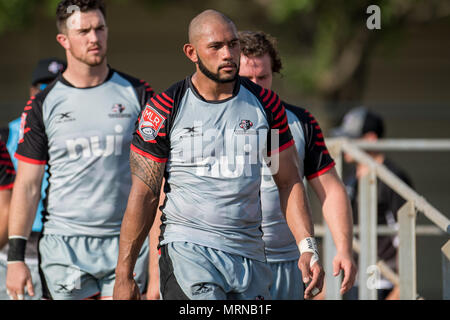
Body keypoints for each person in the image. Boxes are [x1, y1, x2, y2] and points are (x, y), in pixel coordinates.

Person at [113, 9, 324, 301]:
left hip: (249, 256)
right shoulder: (163, 109)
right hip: (188, 251)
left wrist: (308, 248)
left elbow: (287, 181)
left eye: (233, 44)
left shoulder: (267, 106)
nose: (228, 54)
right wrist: (125, 275)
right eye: (216, 46)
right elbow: (144, 195)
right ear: (192, 52)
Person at [6, 0, 154, 300]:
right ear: (64, 40)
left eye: (99, 28)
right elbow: (28, 185)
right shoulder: (42, 104)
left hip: (126, 244)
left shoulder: (139, 94)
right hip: (64, 246)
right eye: (83, 30)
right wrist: (16, 258)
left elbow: (158, 180)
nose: (93, 38)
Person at [238, 30, 357, 300]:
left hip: (289, 263)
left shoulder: (300, 121)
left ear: (274, 74)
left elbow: (331, 189)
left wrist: (344, 249)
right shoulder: (213, 121)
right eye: (246, 79)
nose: (256, 85)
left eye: (262, 77)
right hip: (234, 260)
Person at [0, 57, 66, 300]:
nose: (48, 93)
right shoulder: (7, 133)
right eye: (42, 86)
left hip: (63, 242)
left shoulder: (78, 132)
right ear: (31, 90)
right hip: (17, 242)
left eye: (56, 85)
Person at [331, 107, 413, 300]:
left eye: (352, 138)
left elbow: (406, 234)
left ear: (370, 139)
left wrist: (400, 288)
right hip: (354, 279)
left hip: (383, 282)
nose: (345, 145)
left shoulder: (393, 178)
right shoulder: (350, 179)